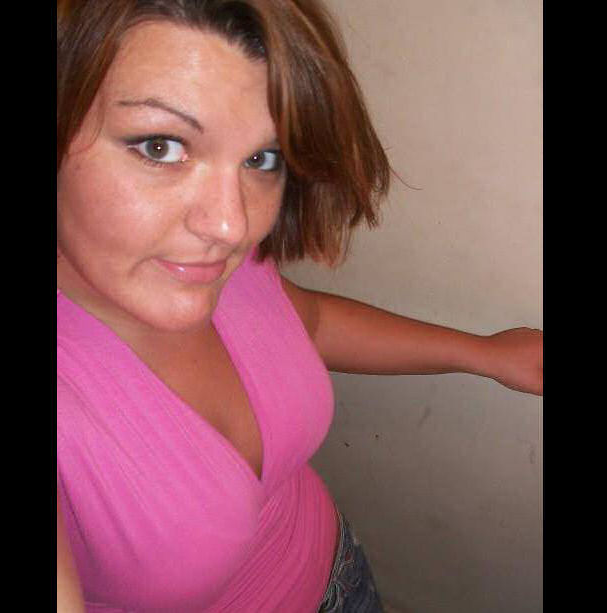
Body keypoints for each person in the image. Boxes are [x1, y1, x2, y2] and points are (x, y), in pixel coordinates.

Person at [56, 0, 543, 611]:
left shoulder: (207, 266)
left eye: (262, 160)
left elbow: (306, 321)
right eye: (160, 146)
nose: (233, 226)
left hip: (339, 569)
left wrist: (485, 354)